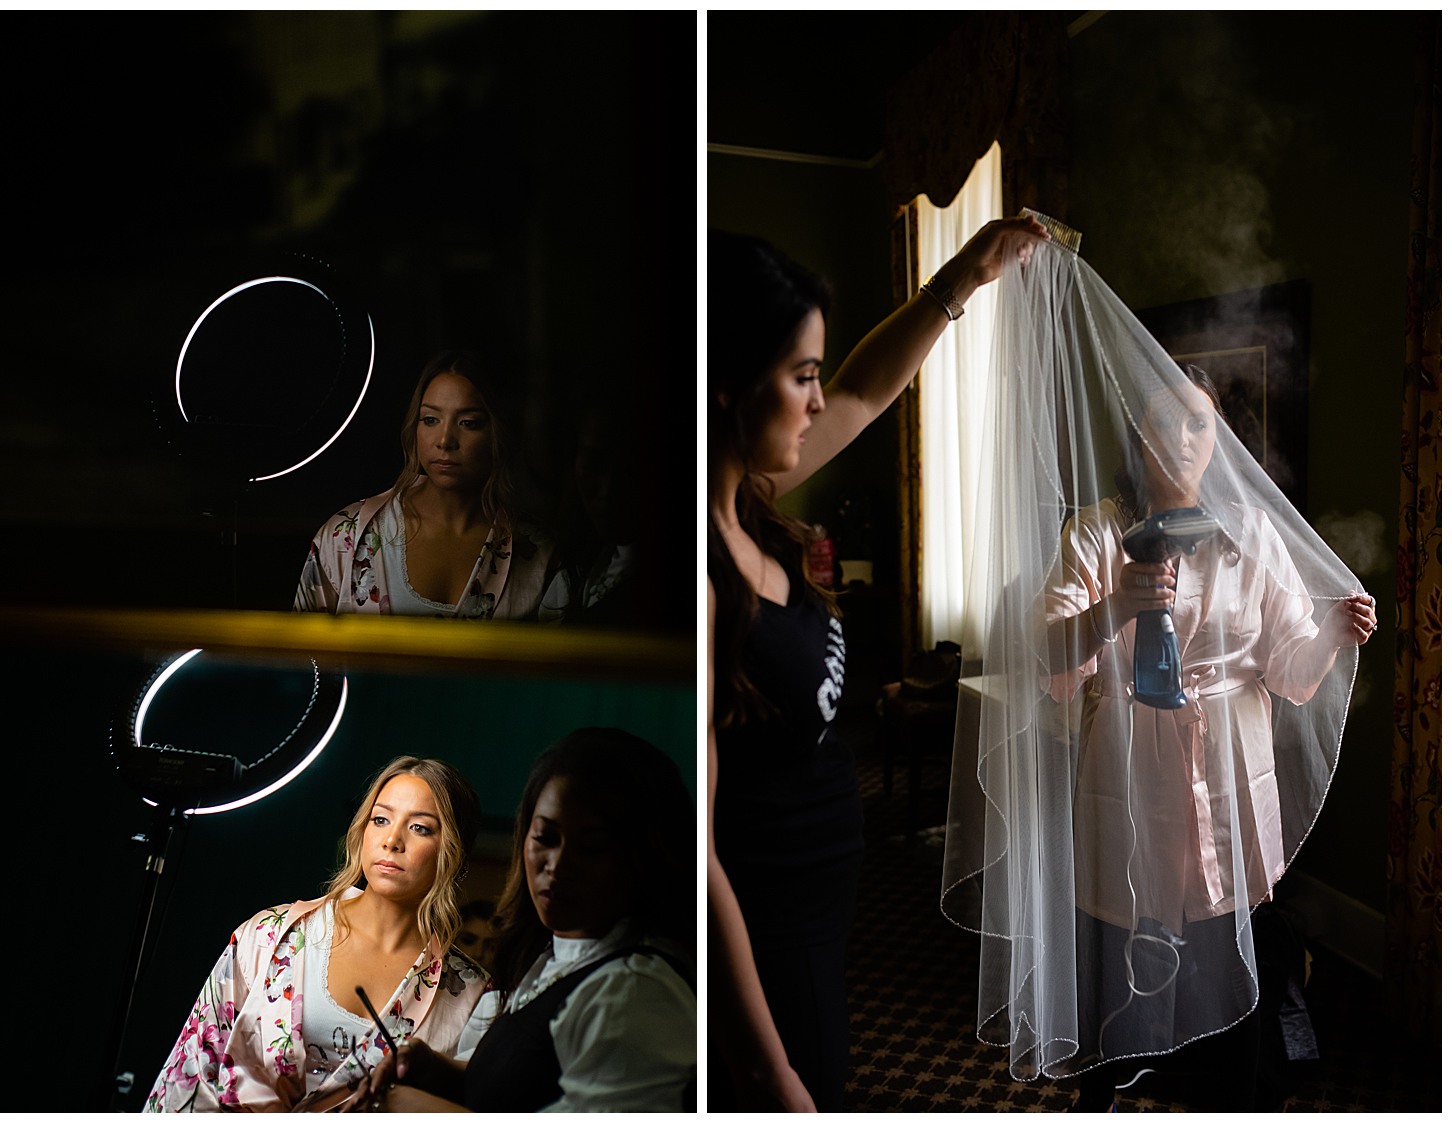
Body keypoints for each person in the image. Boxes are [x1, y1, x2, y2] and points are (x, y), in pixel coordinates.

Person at [938, 231, 1374, 1110]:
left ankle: (1229, 1085)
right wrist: (1118, 610)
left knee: (1228, 946)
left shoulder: (1251, 537)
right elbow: (1048, 660)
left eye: (1203, 424)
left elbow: (1286, 671)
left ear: (1220, 442)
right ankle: (1117, 1077)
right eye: (1171, 418)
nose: (1187, 436)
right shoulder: (1099, 533)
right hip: (1131, 765)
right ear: (1141, 429)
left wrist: (1331, 632)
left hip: (1227, 763)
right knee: (1122, 952)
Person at [707, 216, 1046, 1111]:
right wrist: (760, 1065)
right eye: (800, 376)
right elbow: (692, 847)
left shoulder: (744, 498)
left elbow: (865, 391)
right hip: (762, 926)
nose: (819, 401)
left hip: (816, 911)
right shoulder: (696, 578)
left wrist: (967, 276)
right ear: (727, 385)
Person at [367, 727, 696, 1111]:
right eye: (545, 837)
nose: (557, 866)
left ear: (644, 858)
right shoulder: (544, 961)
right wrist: (442, 1072)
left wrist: (408, 1105)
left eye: (591, 848)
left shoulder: (634, 991)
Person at [144, 757, 488, 1112]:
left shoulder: (472, 994)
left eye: (420, 828)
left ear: (453, 850)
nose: (392, 840)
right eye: (380, 819)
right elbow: (185, 1080)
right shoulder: (270, 935)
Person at [294, 349, 556, 618]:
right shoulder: (344, 537)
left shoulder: (538, 555)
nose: (444, 440)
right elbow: (300, 652)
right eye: (430, 420)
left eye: (469, 423)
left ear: (498, 432)